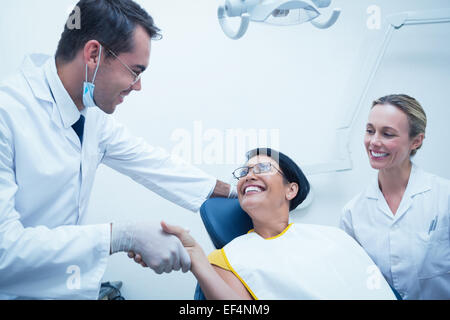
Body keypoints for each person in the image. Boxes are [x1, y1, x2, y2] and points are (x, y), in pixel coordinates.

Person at [0, 0, 234, 300]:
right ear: (94, 54)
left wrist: (232, 191)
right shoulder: (8, 114)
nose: (137, 86)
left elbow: (153, 163)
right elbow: (4, 250)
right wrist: (122, 236)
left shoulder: (90, 113)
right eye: (135, 71)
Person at [163, 148, 397, 299]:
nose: (249, 175)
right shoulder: (224, 260)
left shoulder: (334, 237)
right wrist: (196, 260)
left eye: (262, 168)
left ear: (291, 189)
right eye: (244, 172)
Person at [340, 94, 450, 300]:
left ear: (416, 141)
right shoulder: (353, 213)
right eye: (370, 131)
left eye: (388, 134)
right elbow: (354, 281)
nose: (374, 142)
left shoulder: (444, 197)